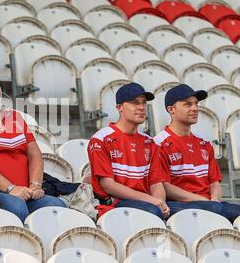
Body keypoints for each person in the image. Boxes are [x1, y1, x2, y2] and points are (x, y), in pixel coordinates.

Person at [0, 69, 66, 221]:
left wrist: (35, 184)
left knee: (56, 206)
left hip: (25, 191)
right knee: (17, 207)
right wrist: (11, 188)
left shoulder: (14, 117)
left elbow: (34, 155)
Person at [154, 84, 240, 222]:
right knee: (215, 210)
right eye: (188, 104)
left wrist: (215, 200)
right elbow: (164, 186)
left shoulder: (204, 144)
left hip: (210, 204)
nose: (194, 109)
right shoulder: (158, 143)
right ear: (171, 109)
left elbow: (214, 183)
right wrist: (202, 200)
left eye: (196, 104)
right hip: (178, 204)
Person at [88, 82, 170, 219]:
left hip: (145, 202)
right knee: (152, 211)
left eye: (144, 103)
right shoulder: (101, 139)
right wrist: (151, 201)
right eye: (134, 103)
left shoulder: (150, 143)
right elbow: (108, 186)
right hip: (114, 203)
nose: (141, 107)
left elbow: (155, 183)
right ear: (119, 107)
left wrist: (161, 203)